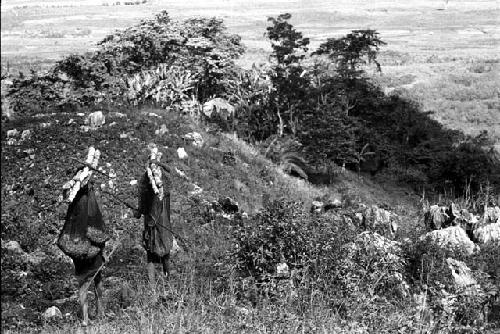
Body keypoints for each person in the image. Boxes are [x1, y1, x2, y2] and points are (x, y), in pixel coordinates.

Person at [133, 148, 173, 285]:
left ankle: (163, 283)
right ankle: (156, 285)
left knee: (159, 253)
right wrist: (139, 210)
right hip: (155, 219)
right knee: (154, 252)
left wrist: (138, 212)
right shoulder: (147, 179)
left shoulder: (160, 178)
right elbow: (142, 198)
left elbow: (143, 202)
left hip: (159, 219)